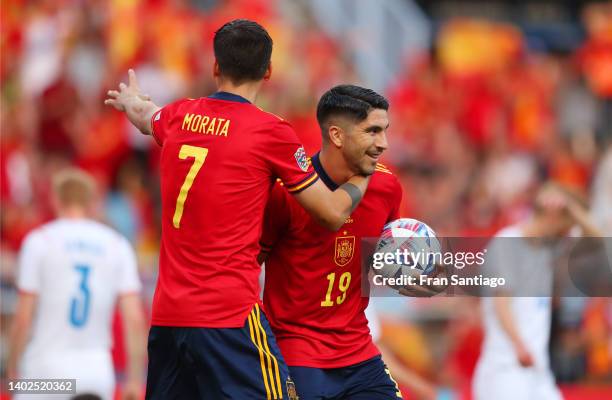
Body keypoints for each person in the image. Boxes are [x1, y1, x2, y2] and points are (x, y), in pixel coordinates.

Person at [104, 20, 372, 399]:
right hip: (228, 317)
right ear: (268, 72)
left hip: (168, 317)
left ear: (216, 67)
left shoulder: (179, 117)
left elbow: (149, 118)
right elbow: (330, 213)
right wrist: (364, 173)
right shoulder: (269, 132)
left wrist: (134, 102)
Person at [259, 85, 406, 399]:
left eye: (385, 131)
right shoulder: (286, 193)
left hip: (358, 352)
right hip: (297, 355)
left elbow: (385, 259)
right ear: (337, 136)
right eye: (373, 131)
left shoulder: (387, 186)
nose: (384, 143)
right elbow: (248, 263)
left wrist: (412, 268)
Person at [7, 169, 146, 400]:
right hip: (97, 373)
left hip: (47, 372)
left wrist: (12, 367)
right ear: (92, 202)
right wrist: (134, 379)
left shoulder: (40, 241)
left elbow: (23, 317)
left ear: (56, 199)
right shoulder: (116, 244)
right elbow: (134, 319)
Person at [472, 182, 602, 400]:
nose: (568, 234)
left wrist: (570, 208)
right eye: (566, 227)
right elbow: (501, 301)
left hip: (537, 373)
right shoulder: (508, 242)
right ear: (553, 218)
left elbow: (597, 242)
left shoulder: (546, 249)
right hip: (506, 370)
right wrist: (519, 344)